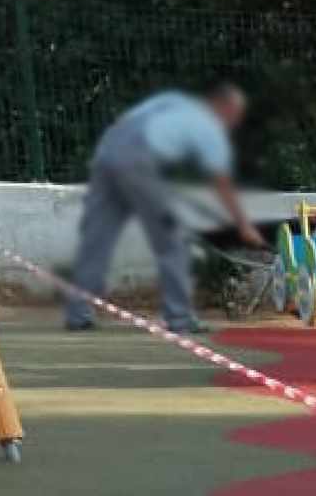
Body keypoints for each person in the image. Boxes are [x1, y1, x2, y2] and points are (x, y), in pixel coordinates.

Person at [66, 83, 265, 334]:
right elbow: (221, 183)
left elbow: (128, 122)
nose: (235, 122)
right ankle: (179, 318)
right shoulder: (209, 127)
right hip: (138, 161)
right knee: (172, 242)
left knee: (96, 241)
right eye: (235, 115)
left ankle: (78, 314)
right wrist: (244, 226)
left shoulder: (174, 100)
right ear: (223, 106)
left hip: (108, 153)